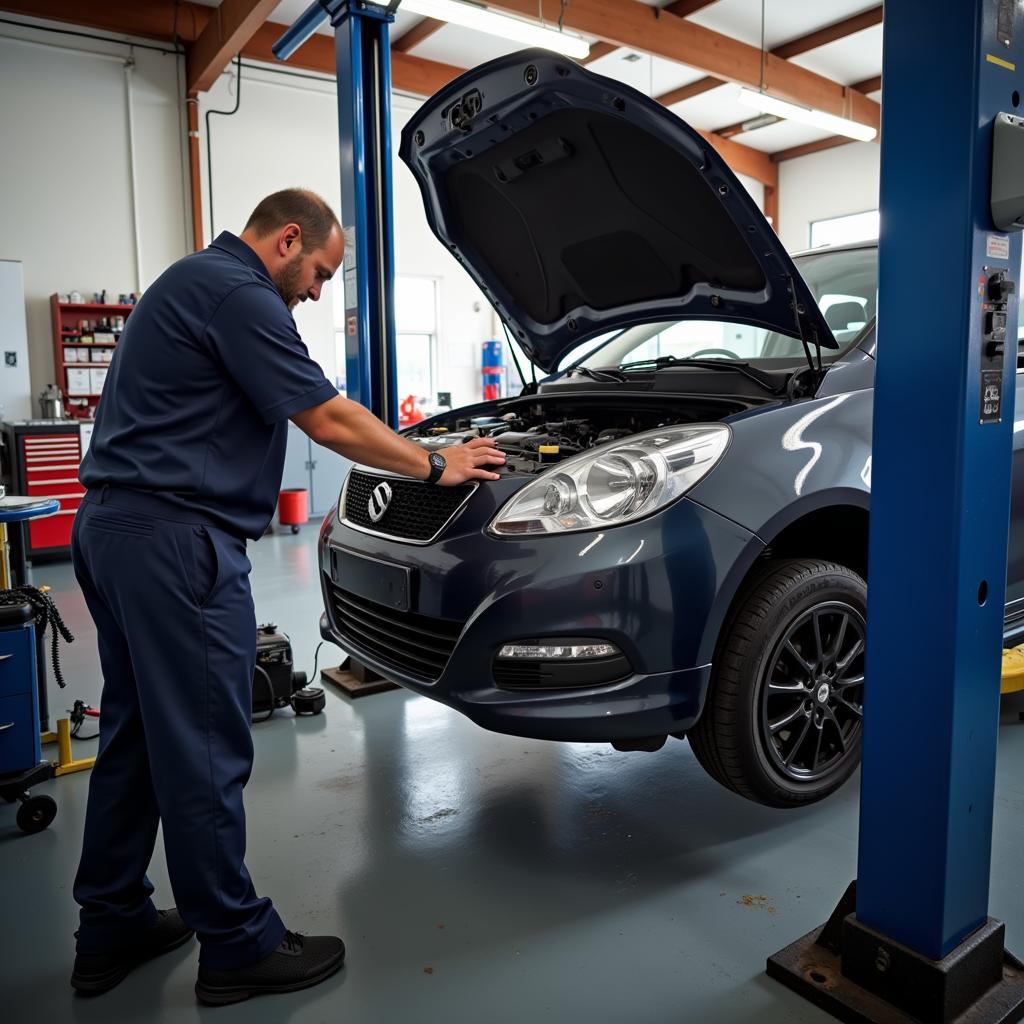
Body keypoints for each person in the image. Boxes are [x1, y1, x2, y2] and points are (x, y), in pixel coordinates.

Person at [68, 188, 505, 1006]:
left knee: (135, 736)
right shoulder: (238, 293)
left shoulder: (193, 280)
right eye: (321, 273)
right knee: (201, 746)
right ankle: (235, 945)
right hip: (176, 541)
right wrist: (436, 463)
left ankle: (111, 922)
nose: (317, 291)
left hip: (116, 529)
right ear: (289, 240)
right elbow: (329, 420)